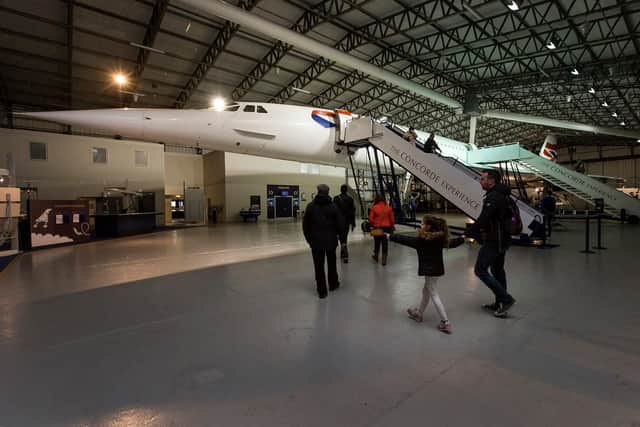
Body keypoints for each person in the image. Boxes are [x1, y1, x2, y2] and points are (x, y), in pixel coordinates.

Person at [390, 216, 464, 334]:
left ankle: (445, 322)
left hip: (429, 272)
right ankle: (419, 314)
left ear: (428, 226)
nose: (421, 225)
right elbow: (453, 243)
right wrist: (463, 238)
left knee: (433, 293)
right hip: (437, 271)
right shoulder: (440, 239)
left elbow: (404, 239)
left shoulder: (422, 240)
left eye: (422, 224)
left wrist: (389, 236)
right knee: (426, 291)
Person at [465, 170, 516, 318]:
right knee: (498, 270)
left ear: (491, 180)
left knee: (480, 270)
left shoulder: (494, 196)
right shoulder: (504, 194)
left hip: (494, 240)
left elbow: (484, 219)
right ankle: (500, 303)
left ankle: (506, 299)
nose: (480, 181)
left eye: (483, 179)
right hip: (503, 239)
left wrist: (468, 233)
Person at [303, 184, 344, 299]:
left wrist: (309, 240)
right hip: (331, 241)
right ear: (328, 192)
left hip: (316, 242)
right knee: (332, 264)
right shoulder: (334, 207)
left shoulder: (310, 207)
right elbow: (340, 225)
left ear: (318, 191)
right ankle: (333, 284)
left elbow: (305, 226)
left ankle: (322, 291)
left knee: (318, 267)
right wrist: (342, 240)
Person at [368, 194, 395, 266]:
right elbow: (392, 220)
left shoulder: (374, 207)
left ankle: (376, 256)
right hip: (387, 228)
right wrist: (392, 227)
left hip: (377, 227)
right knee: (385, 243)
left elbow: (370, 219)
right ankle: (384, 260)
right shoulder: (389, 208)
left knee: (377, 242)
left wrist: (373, 224)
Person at [333, 184, 356, 263]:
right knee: (344, 236)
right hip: (346, 221)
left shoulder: (336, 199)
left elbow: (333, 211)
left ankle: (344, 252)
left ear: (340, 190)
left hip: (337, 221)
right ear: (346, 190)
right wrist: (353, 223)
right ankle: (344, 253)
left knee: (341, 236)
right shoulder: (350, 199)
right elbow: (352, 212)